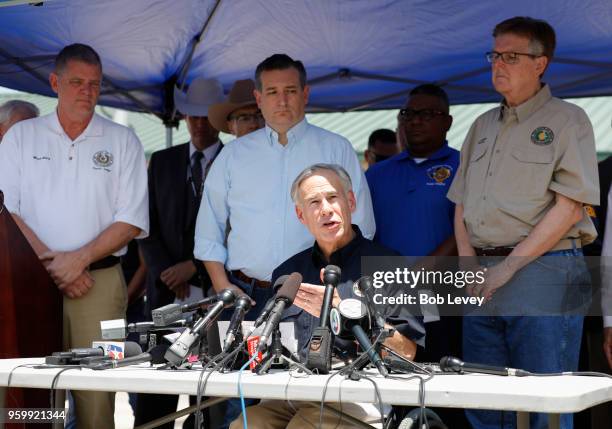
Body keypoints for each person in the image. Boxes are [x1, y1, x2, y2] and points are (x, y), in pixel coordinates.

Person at [195, 53, 375, 429]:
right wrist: (222, 285)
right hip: (245, 296)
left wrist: (338, 296)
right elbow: (208, 228)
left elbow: (362, 228)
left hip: (315, 299)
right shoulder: (233, 155)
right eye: (272, 91)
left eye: (290, 90)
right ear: (258, 98)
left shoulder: (336, 148)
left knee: (314, 401)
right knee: (238, 405)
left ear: (305, 94)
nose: (282, 100)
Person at [447, 17, 598, 429]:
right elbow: (460, 203)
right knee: (482, 398)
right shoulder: (480, 126)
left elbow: (569, 208)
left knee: (543, 401)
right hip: (481, 273)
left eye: (512, 56)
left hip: (543, 271)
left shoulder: (569, 120)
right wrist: (467, 264)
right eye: (495, 54)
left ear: (540, 63)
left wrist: (508, 268)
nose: (499, 63)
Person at [0, 43, 148, 429]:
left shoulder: (123, 140)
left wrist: (76, 261)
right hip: (29, 283)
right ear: (55, 82)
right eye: (77, 82)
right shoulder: (20, 137)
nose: (86, 91)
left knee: (97, 399)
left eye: (94, 84)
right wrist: (55, 265)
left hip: (99, 284)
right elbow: (6, 209)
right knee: (30, 392)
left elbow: (131, 220)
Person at [230, 164, 424, 429]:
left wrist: (345, 312)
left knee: (306, 425)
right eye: (313, 202)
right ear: (301, 215)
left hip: (360, 393)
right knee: (248, 423)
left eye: (333, 197)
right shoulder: (287, 273)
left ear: (351, 201)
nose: (325, 208)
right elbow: (264, 345)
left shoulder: (392, 265)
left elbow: (409, 352)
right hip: (293, 390)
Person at [366, 84, 467, 428]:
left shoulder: (463, 167)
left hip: (445, 296)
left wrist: (424, 268)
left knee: (444, 386)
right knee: (393, 390)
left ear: (448, 121)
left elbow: (466, 229)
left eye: (427, 114)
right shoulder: (378, 174)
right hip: (389, 299)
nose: (416, 122)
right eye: (409, 114)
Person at [135, 78, 225, 429]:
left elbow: (237, 230)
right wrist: (168, 273)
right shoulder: (162, 161)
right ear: (184, 117)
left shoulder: (236, 160)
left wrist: (197, 269)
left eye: (206, 117)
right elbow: (146, 226)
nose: (199, 124)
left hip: (216, 295)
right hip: (165, 295)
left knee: (208, 397)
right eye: (192, 116)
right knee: (157, 392)